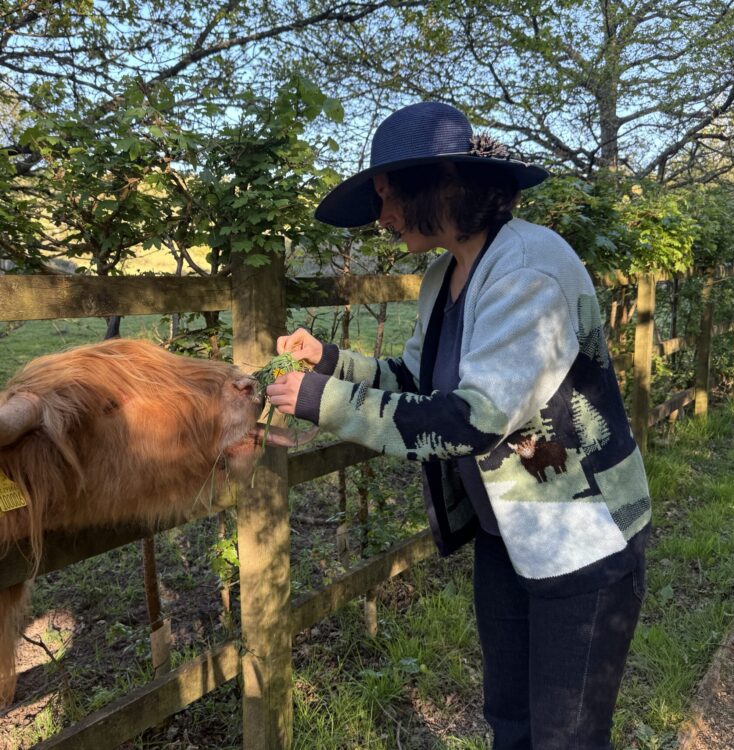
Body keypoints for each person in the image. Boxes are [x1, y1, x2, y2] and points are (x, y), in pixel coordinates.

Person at [266, 101, 650, 750]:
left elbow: (473, 422)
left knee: (568, 737)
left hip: (583, 538)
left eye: (388, 195)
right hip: (510, 532)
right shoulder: (445, 274)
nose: (382, 217)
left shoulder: (527, 269)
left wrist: (325, 401)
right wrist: (328, 362)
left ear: (441, 181)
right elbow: (415, 379)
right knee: (510, 721)